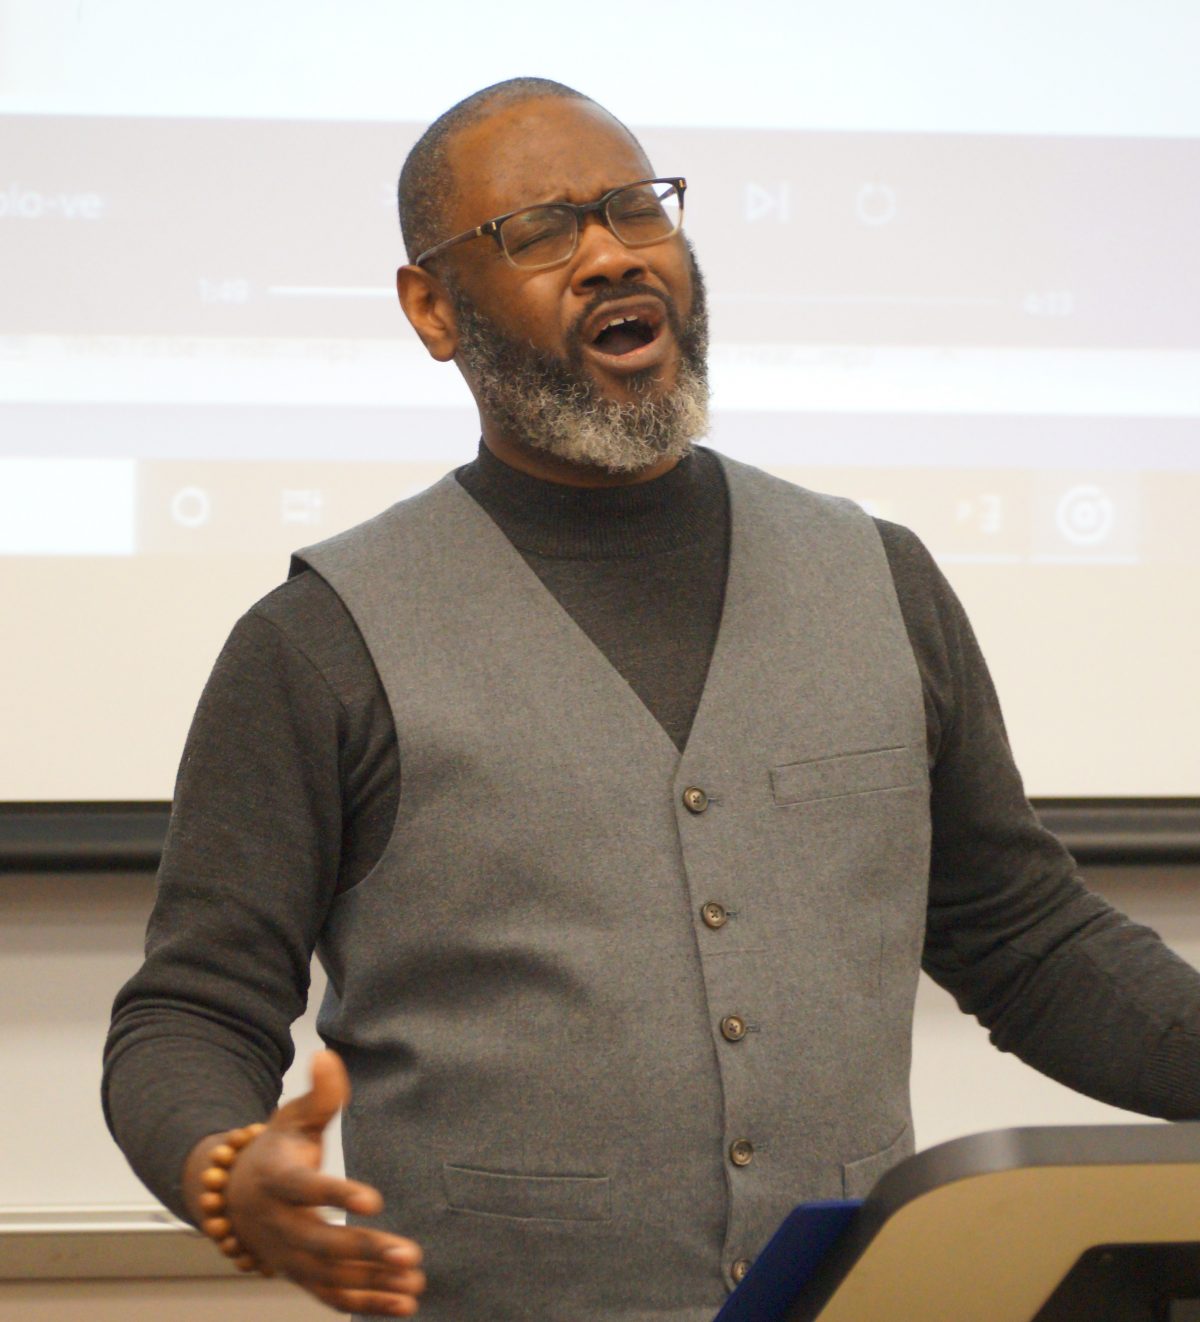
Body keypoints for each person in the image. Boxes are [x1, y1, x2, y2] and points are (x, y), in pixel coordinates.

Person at [103, 77, 1200, 1321]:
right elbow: (192, 1008)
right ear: (432, 307)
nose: (611, 255)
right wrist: (226, 1170)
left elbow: (1029, 938)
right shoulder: (319, 642)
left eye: (637, 209)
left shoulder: (878, 578)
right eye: (543, 231)